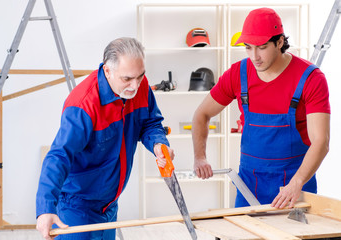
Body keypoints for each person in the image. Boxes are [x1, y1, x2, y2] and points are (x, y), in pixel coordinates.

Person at [36, 37, 173, 240]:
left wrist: (158, 144)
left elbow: (150, 123)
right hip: (77, 205)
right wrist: (46, 208)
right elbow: (59, 155)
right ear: (107, 71)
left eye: (140, 76)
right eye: (127, 79)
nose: (135, 86)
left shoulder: (139, 85)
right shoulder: (83, 105)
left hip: (109, 203)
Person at [192, 8, 330, 209]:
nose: (254, 56)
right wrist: (200, 156)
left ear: (280, 42)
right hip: (249, 185)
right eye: (248, 47)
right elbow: (201, 114)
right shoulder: (237, 74)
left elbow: (321, 141)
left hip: (295, 186)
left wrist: (297, 182)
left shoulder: (311, 78)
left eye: (262, 47)